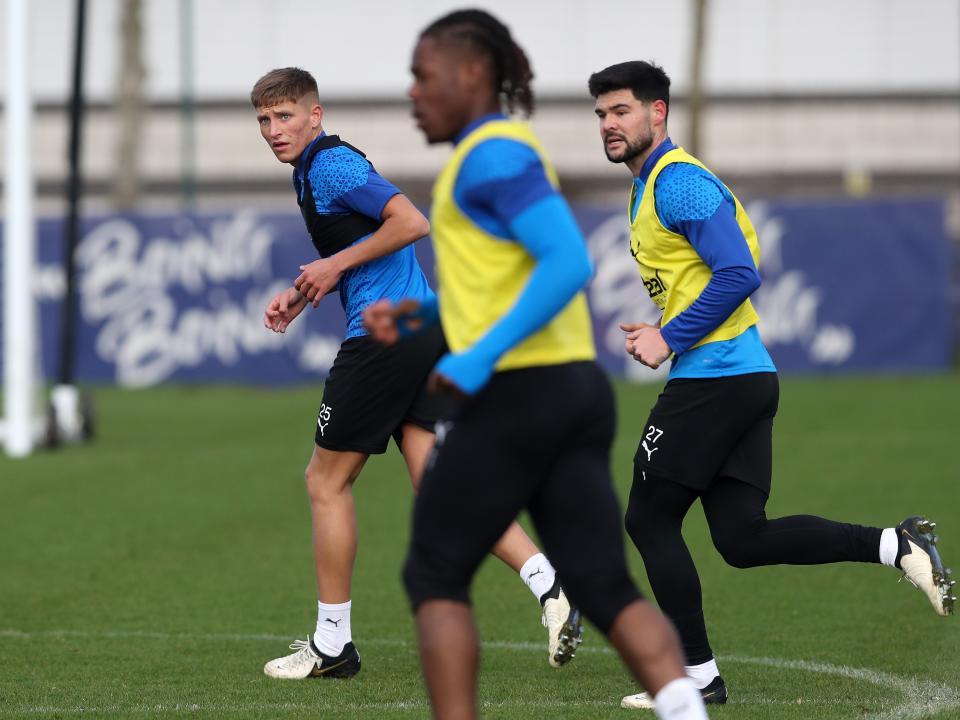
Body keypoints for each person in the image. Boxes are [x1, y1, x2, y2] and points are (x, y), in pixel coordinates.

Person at [364, 12, 710, 720]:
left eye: (423, 76)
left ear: (471, 74)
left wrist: (479, 358)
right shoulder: (489, 154)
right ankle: (685, 709)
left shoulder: (492, 155)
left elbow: (568, 261)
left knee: (434, 571)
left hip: (518, 395)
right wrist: (423, 317)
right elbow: (499, 283)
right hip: (569, 391)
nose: (412, 92)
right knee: (603, 585)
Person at [587, 60, 956, 710]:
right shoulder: (650, 185)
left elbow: (738, 272)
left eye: (620, 111)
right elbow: (710, 276)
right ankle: (897, 545)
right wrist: (667, 325)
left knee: (648, 519)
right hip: (742, 377)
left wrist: (669, 336)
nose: (608, 125)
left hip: (717, 379)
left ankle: (695, 678)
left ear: (657, 112)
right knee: (741, 538)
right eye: (601, 115)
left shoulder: (678, 182)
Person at [249, 67, 582, 679]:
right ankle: (550, 584)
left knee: (325, 482)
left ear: (315, 115)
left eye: (285, 116)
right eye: (265, 120)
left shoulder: (330, 164)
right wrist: (304, 291)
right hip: (416, 333)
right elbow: (365, 245)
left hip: (384, 339)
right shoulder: (313, 169)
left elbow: (410, 222)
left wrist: (332, 267)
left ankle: (332, 644)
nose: (274, 130)